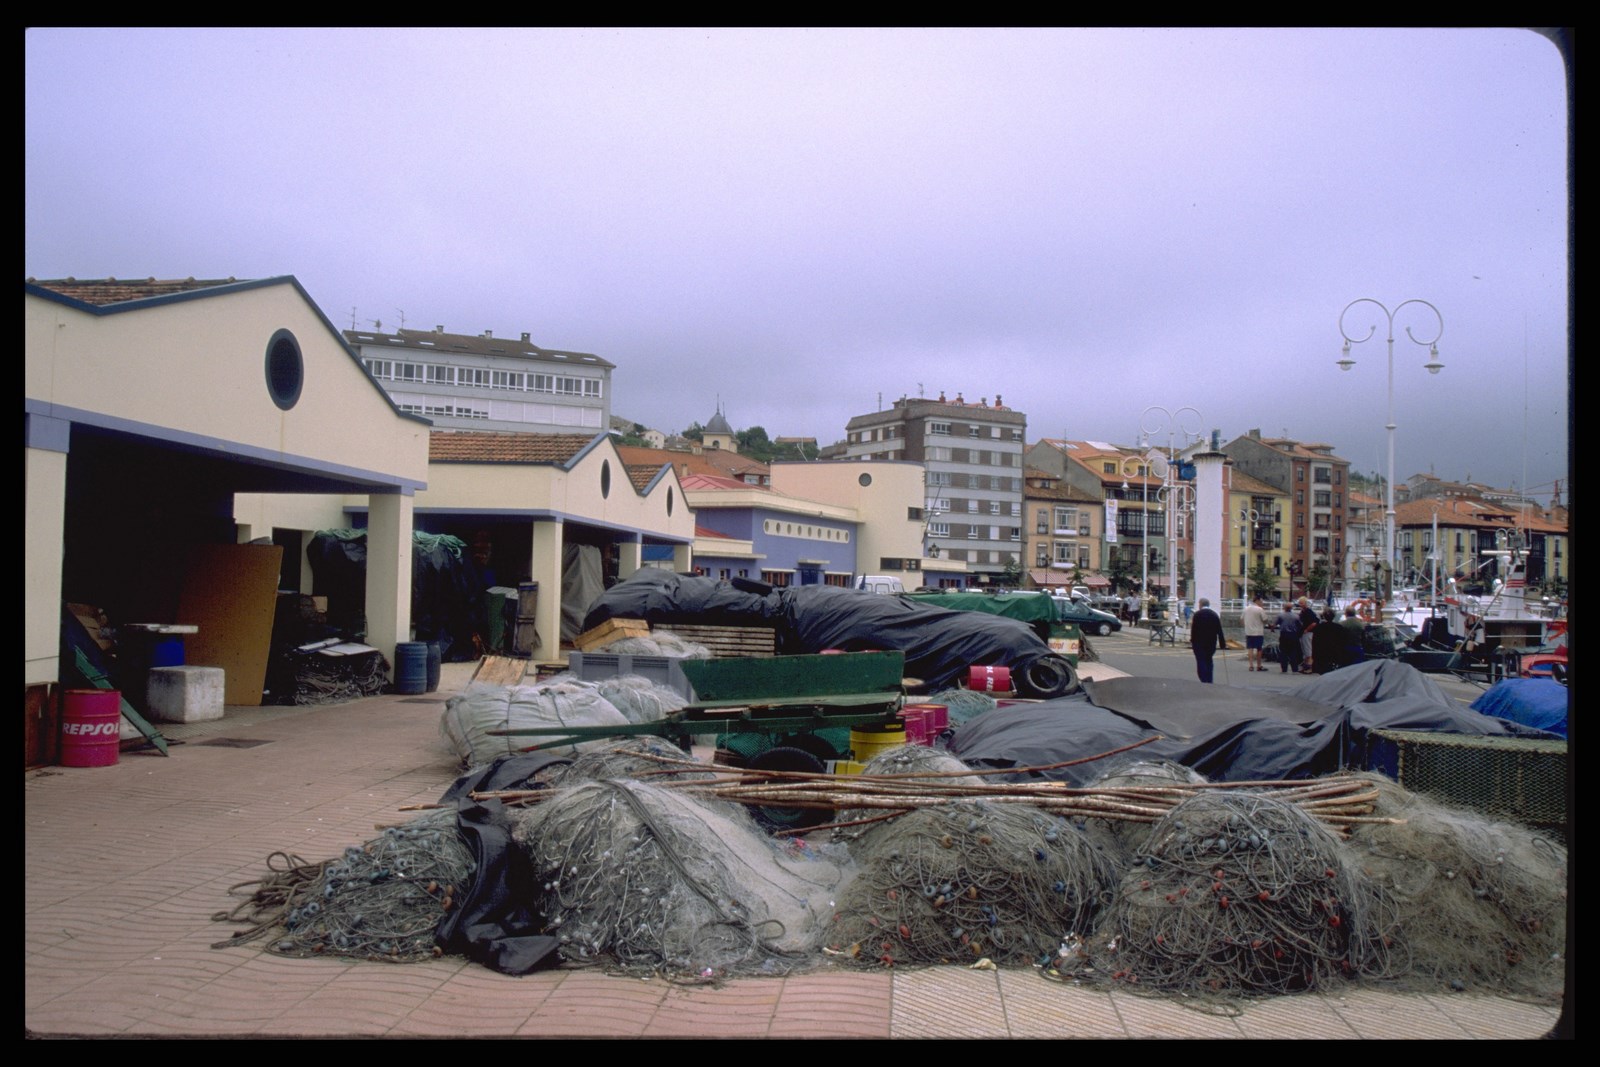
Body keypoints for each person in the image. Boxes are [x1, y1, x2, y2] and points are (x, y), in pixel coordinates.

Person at [1189, 597, 1227, 683]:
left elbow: (1194, 629)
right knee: (1209, 660)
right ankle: (1209, 679)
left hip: (1199, 642)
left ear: (1200, 604)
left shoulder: (1197, 615)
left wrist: (1192, 640)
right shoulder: (1214, 615)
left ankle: (1203, 678)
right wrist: (1222, 643)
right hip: (1211, 642)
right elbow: (1219, 630)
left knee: (1201, 660)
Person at [1312, 607, 1346, 674]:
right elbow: (1342, 642)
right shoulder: (1339, 628)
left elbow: (1315, 642)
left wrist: (1314, 656)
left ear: (1324, 616)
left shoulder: (1319, 628)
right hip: (1335, 653)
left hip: (1322, 654)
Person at [1275, 600, 1303, 673]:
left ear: (1284, 607)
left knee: (1283, 651)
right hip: (1293, 635)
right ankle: (1294, 668)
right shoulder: (1296, 616)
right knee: (1293, 651)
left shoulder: (1280, 615)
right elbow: (1300, 625)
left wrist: (1272, 628)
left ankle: (1284, 668)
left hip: (1284, 634)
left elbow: (1275, 624)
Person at [1241, 594, 1267, 671]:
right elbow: (1265, 619)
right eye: (1261, 601)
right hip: (1258, 632)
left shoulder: (1246, 609)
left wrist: (1246, 626)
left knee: (1250, 648)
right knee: (1259, 648)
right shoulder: (1260, 609)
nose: (1262, 603)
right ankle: (1259, 665)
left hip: (1248, 632)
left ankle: (1251, 665)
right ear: (1257, 601)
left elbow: (1241, 619)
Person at [1297, 597, 1320, 674]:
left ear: (1305, 603)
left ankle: (1310, 667)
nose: (1300, 604)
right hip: (1304, 633)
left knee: (1308, 651)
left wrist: (1307, 630)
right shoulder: (1303, 612)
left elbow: (1314, 623)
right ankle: (1305, 666)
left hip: (1308, 633)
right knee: (1305, 650)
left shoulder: (1308, 612)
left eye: (1302, 603)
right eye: (1300, 603)